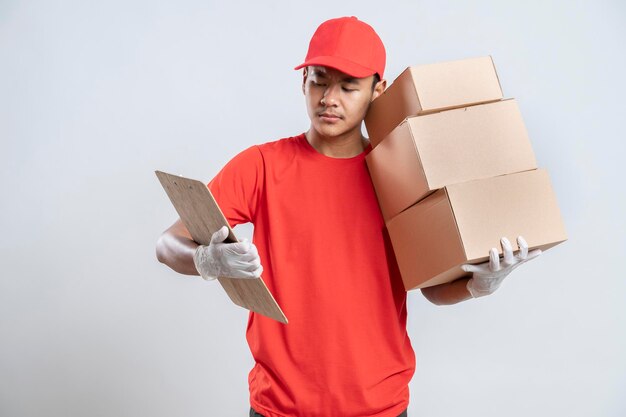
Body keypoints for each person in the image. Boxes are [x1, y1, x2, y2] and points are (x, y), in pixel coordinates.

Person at [155, 16, 541, 417]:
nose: (329, 98)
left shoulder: (401, 175)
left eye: (348, 86)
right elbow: (167, 245)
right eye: (319, 80)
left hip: (379, 408)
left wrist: (481, 284)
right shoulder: (262, 166)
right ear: (303, 81)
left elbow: (430, 289)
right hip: (279, 409)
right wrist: (207, 260)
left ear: (378, 90)